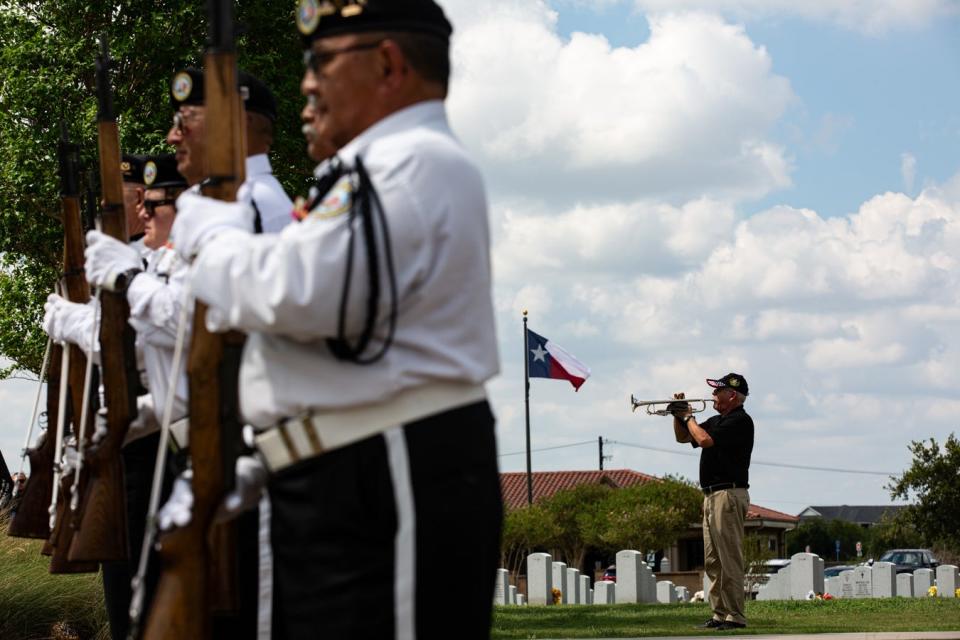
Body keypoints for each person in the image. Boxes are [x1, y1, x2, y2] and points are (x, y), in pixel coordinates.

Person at [169, 0, 503, 637]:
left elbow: (296, 293)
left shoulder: (411, 160)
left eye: (321, 61)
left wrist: (210, 234)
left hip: (388, 468)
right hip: (345, 470)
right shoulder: (374, 167)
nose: (307, 83)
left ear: (387, 63)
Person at [672, 373, 754, 631]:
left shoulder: (740, 421)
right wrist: (678, 416)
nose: (713, 396)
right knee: (712, 561)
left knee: (729, 557)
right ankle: (719, 614)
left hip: (727, 494)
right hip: (710, 495)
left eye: (717, 392)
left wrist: (688, 416)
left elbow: (704, 440)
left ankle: (736, 616)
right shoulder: (717, 420)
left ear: (732, 395)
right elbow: (685, 438)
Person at [167, 67, 292, 232]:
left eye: (184, 120)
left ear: (236, 122)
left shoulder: (258, 203)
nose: (172, 138)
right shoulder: (201, 196)